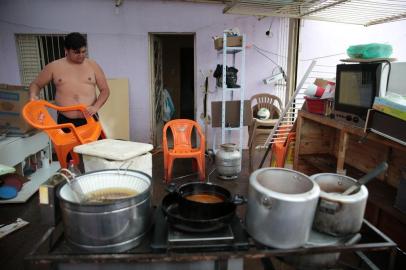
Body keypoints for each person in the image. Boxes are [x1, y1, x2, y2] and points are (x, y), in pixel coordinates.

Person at [29, 32, 110, 128]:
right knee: (68, 143)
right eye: (76, 52)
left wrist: (95, 107)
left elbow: (105, 90)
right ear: (66, 50)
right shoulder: (54, 67)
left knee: (94, 143)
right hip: (65, 120)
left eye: (83, 52)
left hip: (90, 118)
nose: (81, 55)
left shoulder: (93, 65)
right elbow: (36, 84)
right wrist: (33, 96)